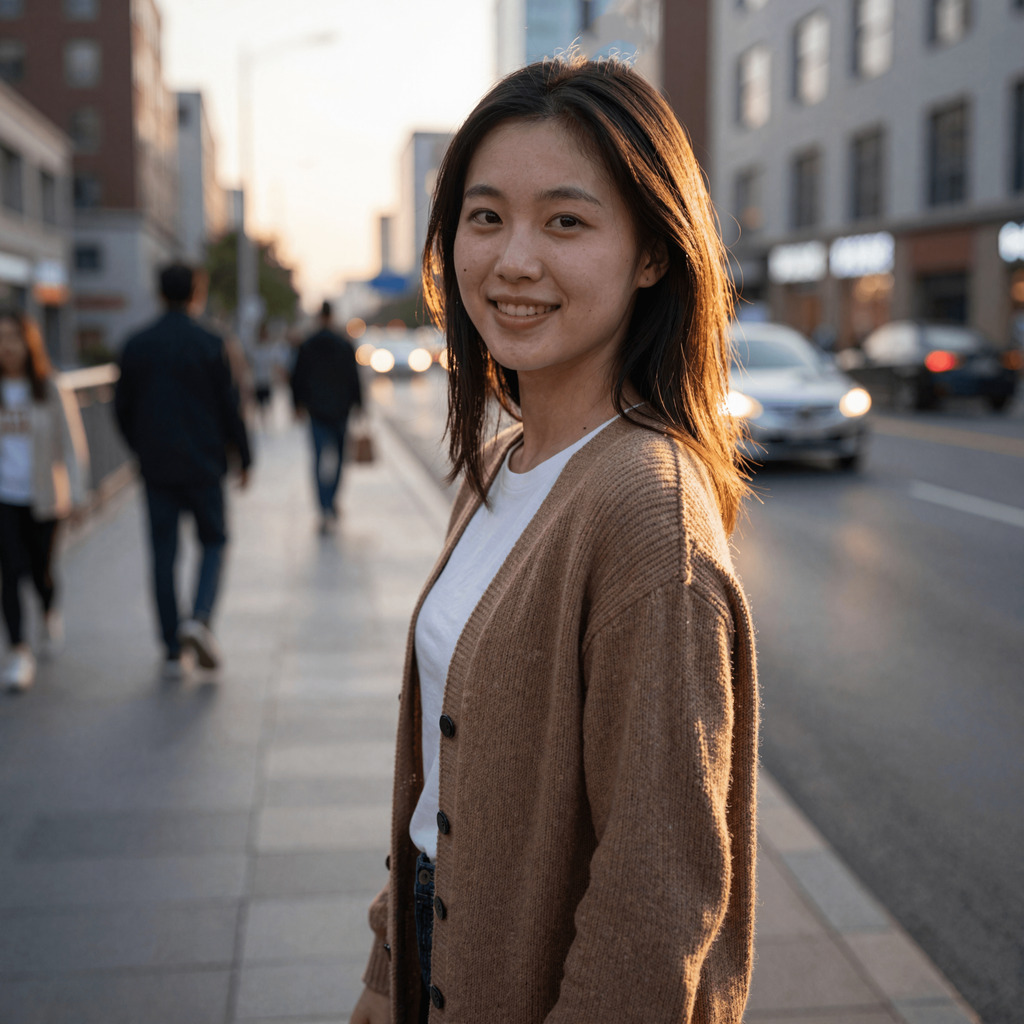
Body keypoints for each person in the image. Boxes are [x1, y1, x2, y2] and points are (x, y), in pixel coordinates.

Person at [350, 57, 759, 1024]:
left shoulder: (644, 515)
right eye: (485, 217)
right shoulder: (500, 464)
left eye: (565, 221)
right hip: (435, 950)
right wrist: (384, 972)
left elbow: (655, 901)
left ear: (653, 252)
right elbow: (447, 783)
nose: (512, 260)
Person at [115, 263, 252, 679]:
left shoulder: (136, 344)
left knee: (163, 553)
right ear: (197, 292)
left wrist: (142, 448)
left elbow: (122, 409)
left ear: (159, 292)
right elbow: (229, 406)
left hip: (157, 466)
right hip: (205, 463)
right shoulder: (211, 342)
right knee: (214, 539)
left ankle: (172, 648)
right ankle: (200, 616)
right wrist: (244, 456)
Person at [0, 309, 89, 692]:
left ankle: (49, 610)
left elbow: (71, 445)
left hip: (44, 497)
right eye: (1, 338)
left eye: (13, 338)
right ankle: (19, 651)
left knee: (41, 572)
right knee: (9, 572)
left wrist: (79, 495)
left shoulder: (49, 387)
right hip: (5, 498)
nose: (7, 347)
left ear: (28, 342)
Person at [290, 301, 362, 532]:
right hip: (340, 410)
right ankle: (331, 501)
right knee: (340, 459)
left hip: (317, 410)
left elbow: (297, 377)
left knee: (319, 459)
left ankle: (323, 507)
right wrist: (359, 404)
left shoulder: (308, 344)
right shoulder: (344, 344)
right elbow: (354, 377)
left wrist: (297, 405)